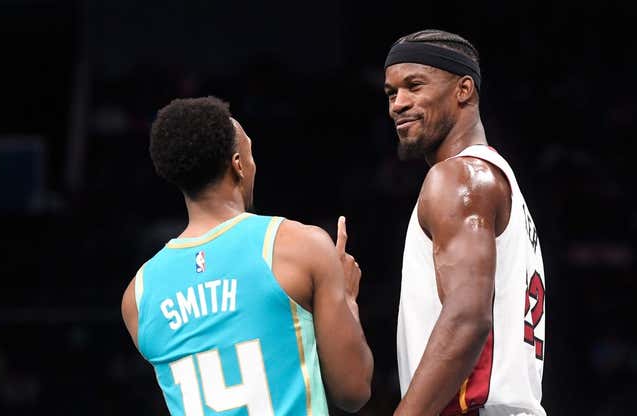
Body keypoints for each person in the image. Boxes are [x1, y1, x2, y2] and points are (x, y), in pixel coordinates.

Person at [120, 96, 373, 415]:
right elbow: (353, 392)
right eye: (251, 154)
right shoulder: (298, 246)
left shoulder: (138, 297)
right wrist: (347, 299)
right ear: (239, 164)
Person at [383, 29, 546, 415]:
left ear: (464, 90)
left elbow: (466, 319)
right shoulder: (498, 180)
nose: (398, 104)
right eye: (391, 93)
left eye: (414, 86)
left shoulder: (459, 179)